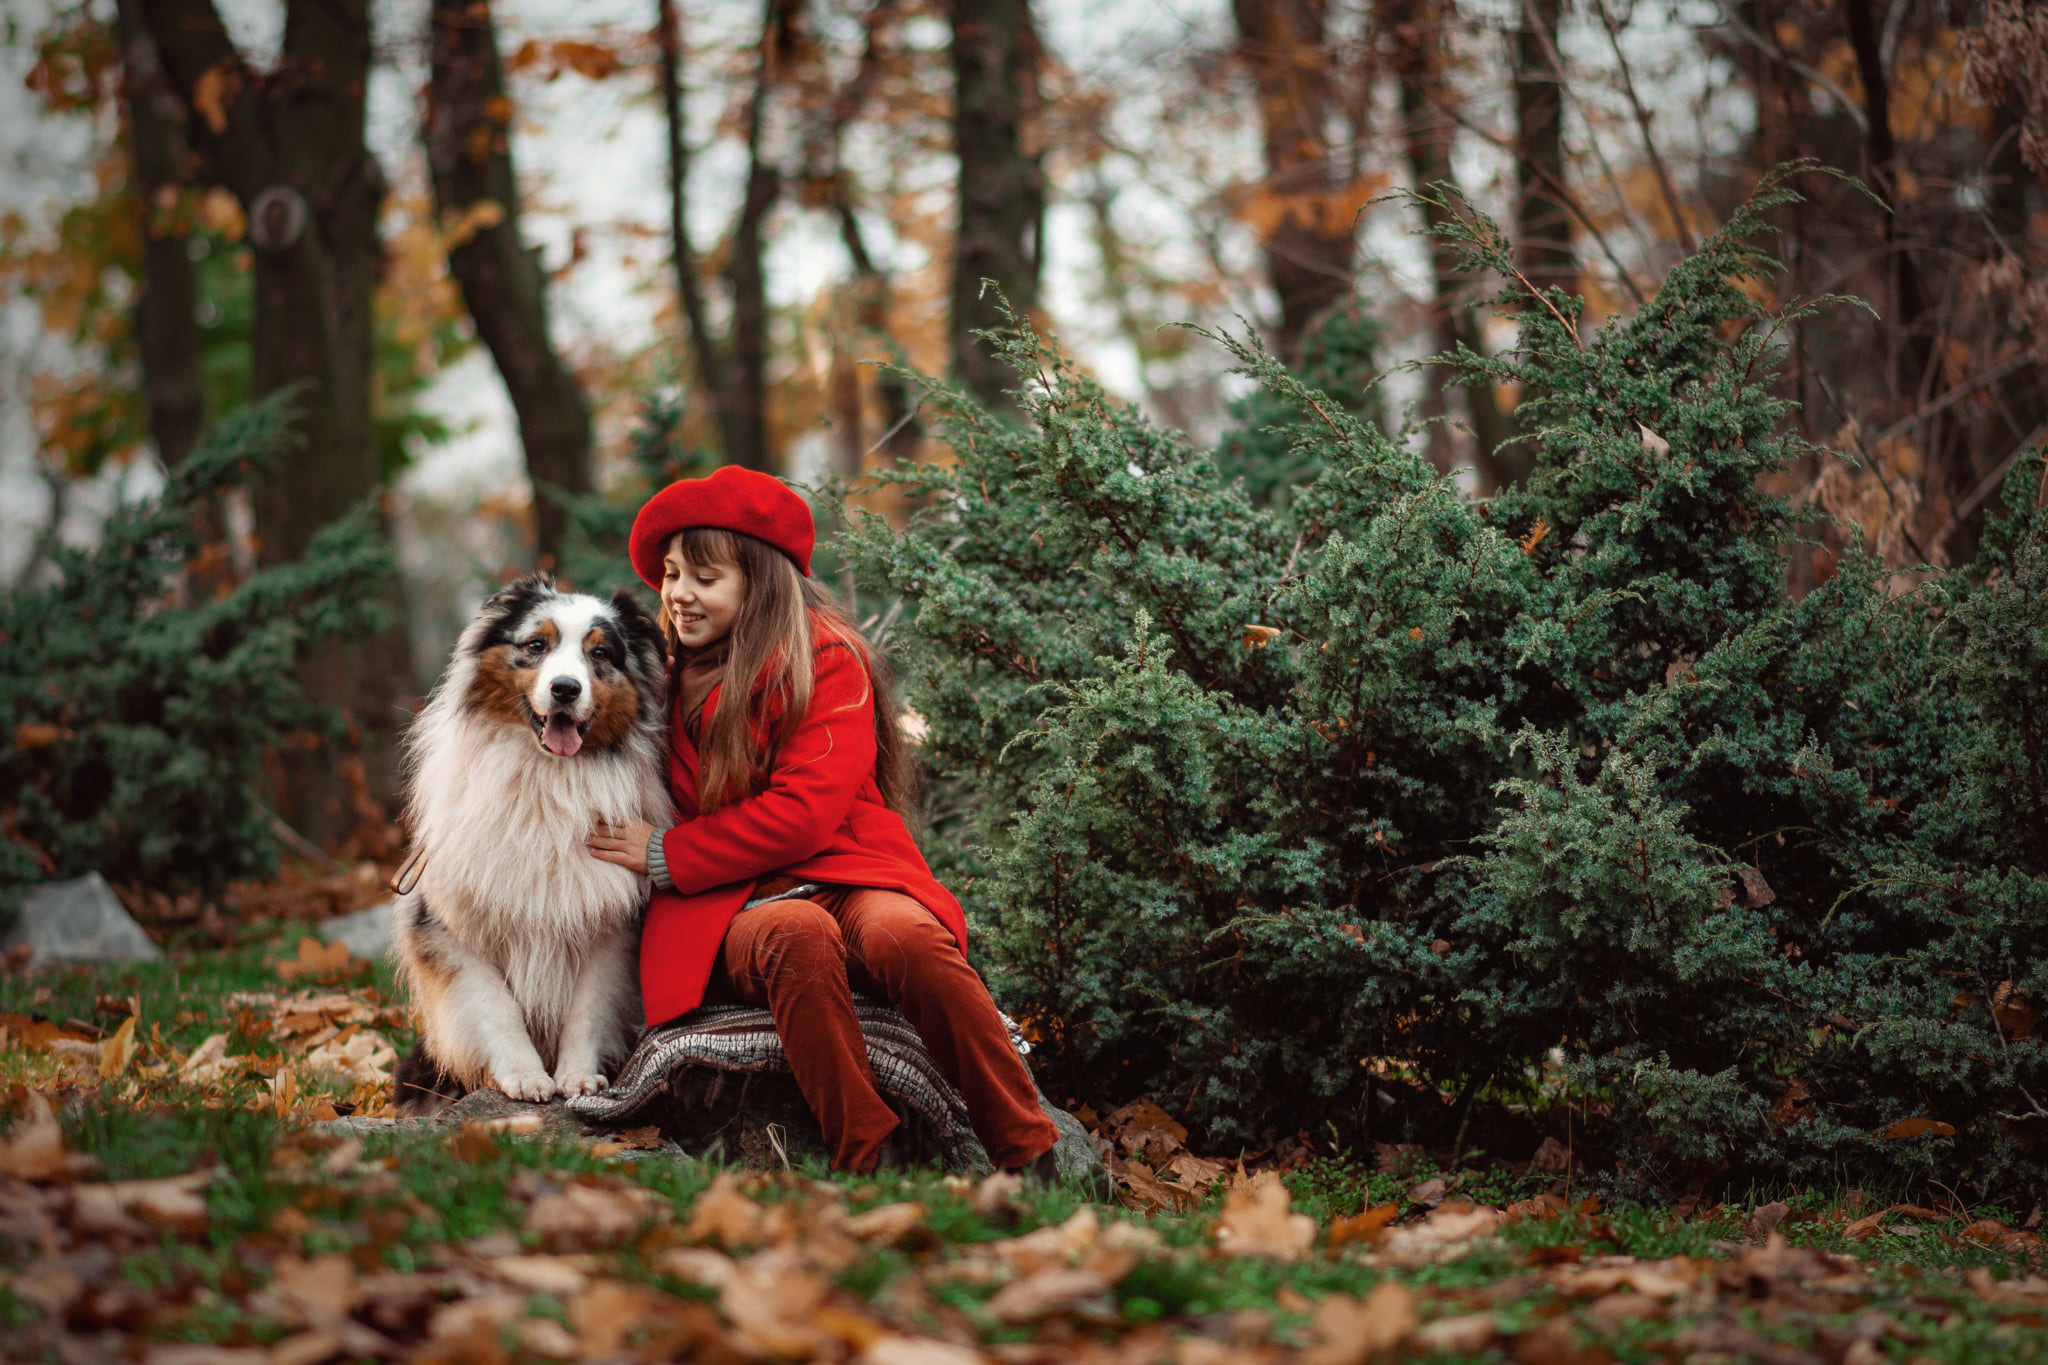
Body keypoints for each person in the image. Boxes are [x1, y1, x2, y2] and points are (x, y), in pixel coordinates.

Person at [584, 465, 1061, 1177]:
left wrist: (668, 852)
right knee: (795, 934)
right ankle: (862, 1150)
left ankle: (1029, 1148)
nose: (679, 593)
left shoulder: (828, 661)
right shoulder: (656, 674)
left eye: (704, 578)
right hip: (730, 904)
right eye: (673, 573)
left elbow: (804, 815)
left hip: (843, 867)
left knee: (911, 941)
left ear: (762, 580)